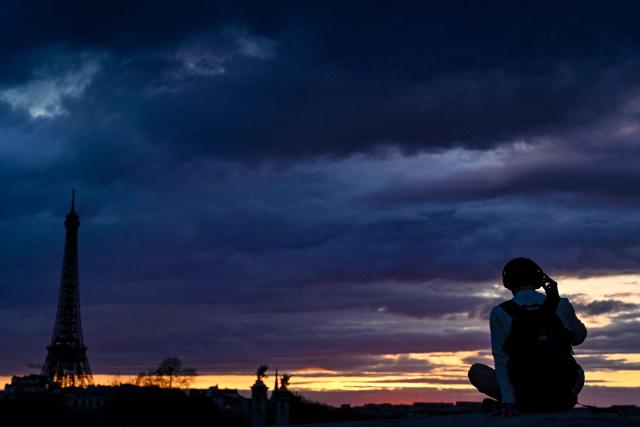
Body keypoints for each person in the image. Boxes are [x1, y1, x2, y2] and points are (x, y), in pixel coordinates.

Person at [468, 257, 588, 416]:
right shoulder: (561, 304)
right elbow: (579, 337)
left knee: (476, 371)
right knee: (578, 371)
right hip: (561, 396)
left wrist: (509, 402)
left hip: (523, 398)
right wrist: (560, 305)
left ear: (507, 283)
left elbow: (501, 358)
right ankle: (560, 401)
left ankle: (511, 402)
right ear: (539, 280)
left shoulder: (500, 312)